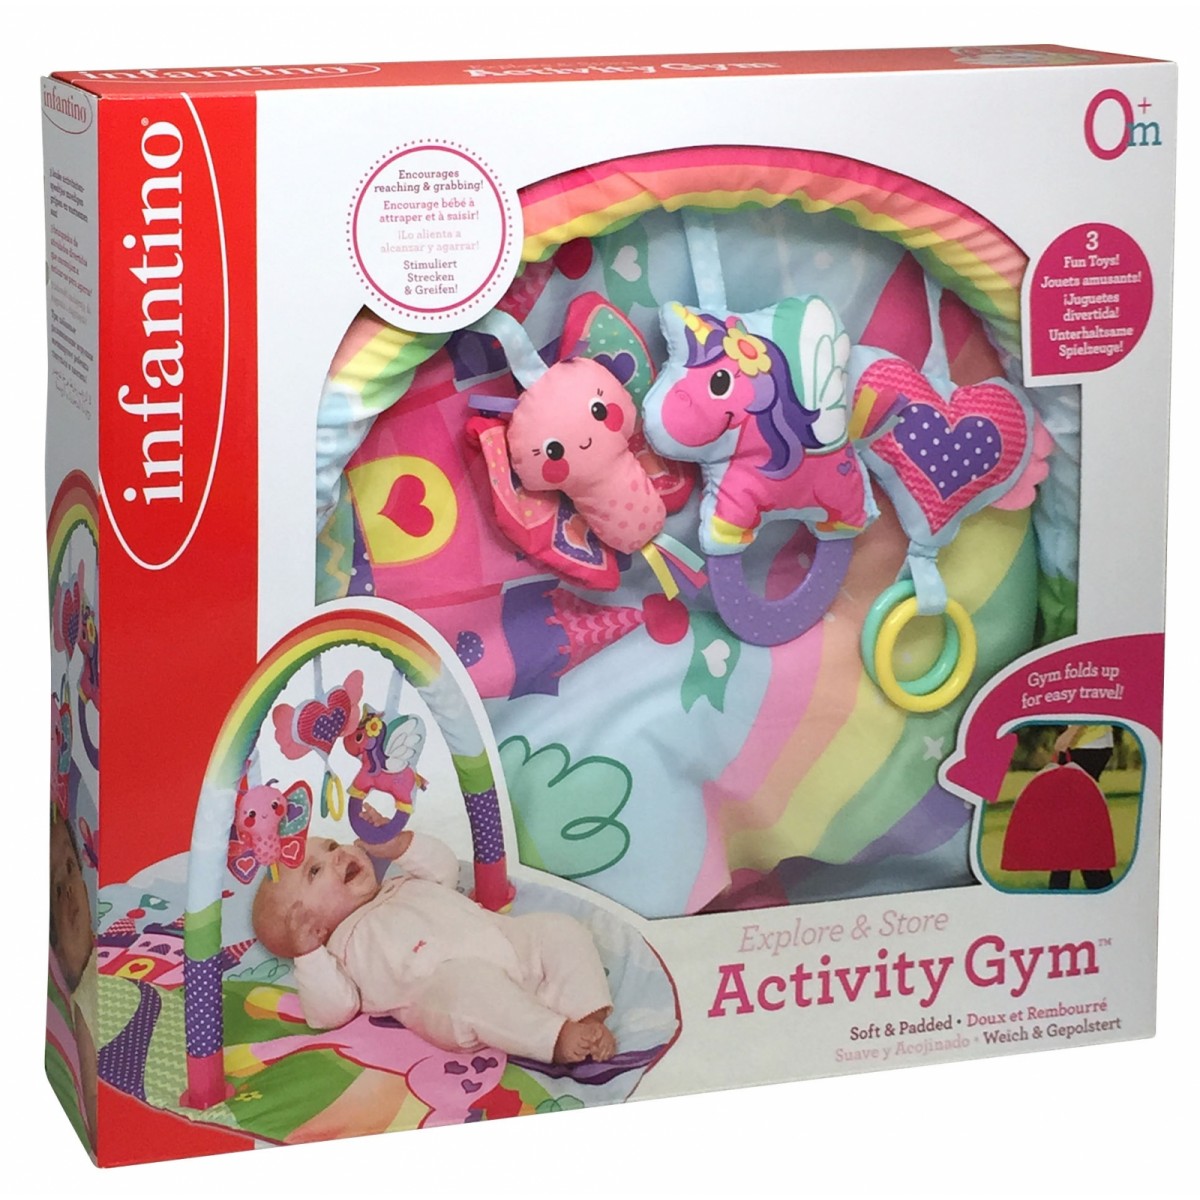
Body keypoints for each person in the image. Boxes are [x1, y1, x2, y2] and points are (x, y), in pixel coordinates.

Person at [252, 810, 616, 1066]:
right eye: (315, 871)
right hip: (445, 989)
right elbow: (331, 1011)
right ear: (311, 926)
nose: (337, 856)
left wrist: (399, 845)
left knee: (558, 929)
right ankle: (556, 1037)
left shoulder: (399, 883)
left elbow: (444, 869)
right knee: (471, 992)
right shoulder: (341, 949)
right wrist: (309, 954)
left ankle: (588, 1014)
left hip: (504, 941)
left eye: (332, 845)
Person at [49, 815, 98, 1144]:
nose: (67, 891)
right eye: (56, 889)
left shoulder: (106, 954)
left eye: (70, 868)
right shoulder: (85, 994)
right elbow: (94, 1097)